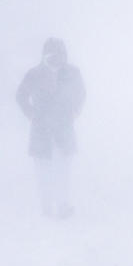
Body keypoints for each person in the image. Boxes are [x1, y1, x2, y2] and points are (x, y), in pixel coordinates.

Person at [15, 37, 86, 219]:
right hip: (41, 131)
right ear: (45, 56)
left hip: (64, 129)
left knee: (64, 170)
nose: (57, 60)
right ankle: (46, 206)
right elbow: (21, 95)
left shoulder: (72, 73)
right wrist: (31, 114)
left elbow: (81, 93)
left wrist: (75, 110)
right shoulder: (34, 74)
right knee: (43, 172)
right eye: (53, 56)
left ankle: (63, 205)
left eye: (61, 55)